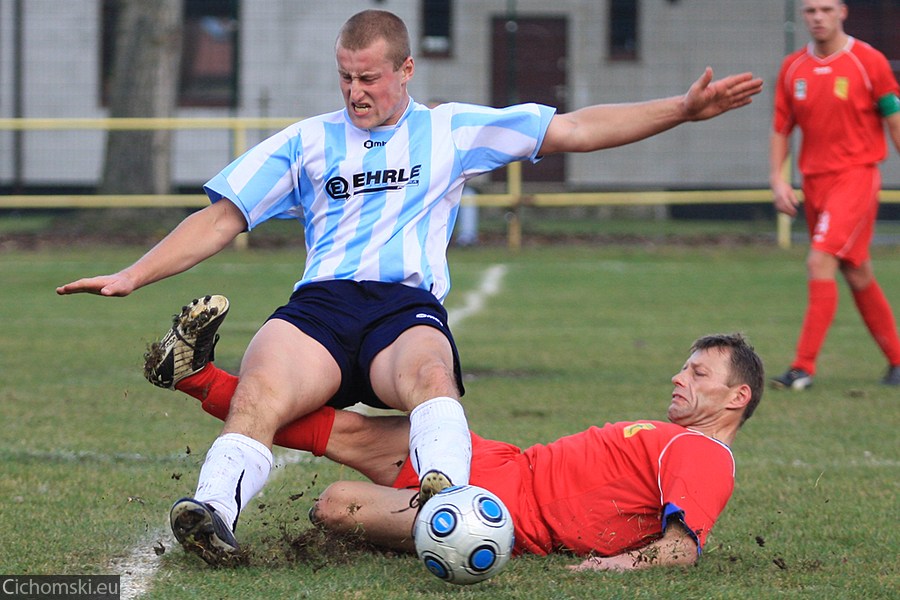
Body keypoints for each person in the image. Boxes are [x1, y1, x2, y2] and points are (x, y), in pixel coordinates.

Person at [55, 9, 763, 565]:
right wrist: (132, 273)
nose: (356, 92)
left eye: (370, 78)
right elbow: (221, 218)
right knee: (263, 393)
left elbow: (573, 128)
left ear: (405, 70)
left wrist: (681, 108)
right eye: (346, 78)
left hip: (403, 307)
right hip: (322, 305)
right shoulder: (306, 142)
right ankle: (212, 516)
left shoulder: (451, 131)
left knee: (431, 374)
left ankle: (450, 501)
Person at [152, 301, 763, 571]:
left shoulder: (706, 454)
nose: (679, 378)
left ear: (738, 398)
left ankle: (201, 385)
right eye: (684, 367)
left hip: (495, 511)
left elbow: (682, 548)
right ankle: (195, 376)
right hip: (497, 461)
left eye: (698, 373)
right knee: (347, 429)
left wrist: (614, 570)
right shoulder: (673, 434)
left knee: (334, 505)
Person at [769, 0, 900, 390]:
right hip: (815, 183)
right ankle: (897, 360)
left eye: (826, 9)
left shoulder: (868, 61)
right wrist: (778, 179)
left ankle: (801, 368)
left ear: (842, 12)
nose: (818, 17)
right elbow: (781, 128)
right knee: (856, 270)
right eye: (810, 10)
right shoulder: (793, 67)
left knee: (819, 261)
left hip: (856, 178)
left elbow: (894, 120)